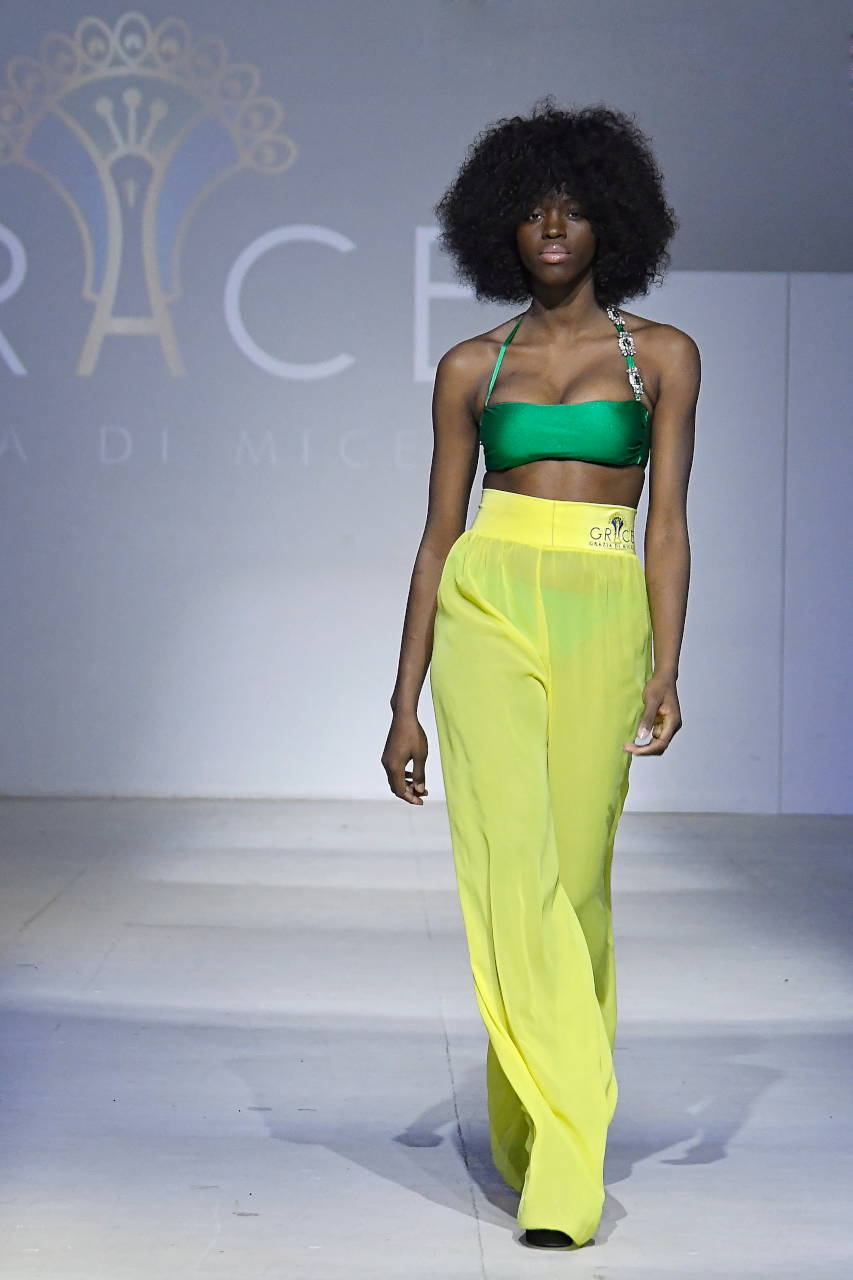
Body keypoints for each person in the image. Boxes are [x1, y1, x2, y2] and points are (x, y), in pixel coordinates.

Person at [381, 97, 699, 1251]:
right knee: (509, 865)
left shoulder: (663, 357)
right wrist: (402, 700)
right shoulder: (472, 365)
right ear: (500, 230)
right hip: (488, 603)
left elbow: (668, 525)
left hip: (606, 605)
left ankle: (530, 1119)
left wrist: (669, 664)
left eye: (571, 206)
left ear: (612, 218)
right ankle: (569, 1160)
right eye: (530, 210)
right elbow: (436, 537)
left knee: (576, 877)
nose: (552, 226)